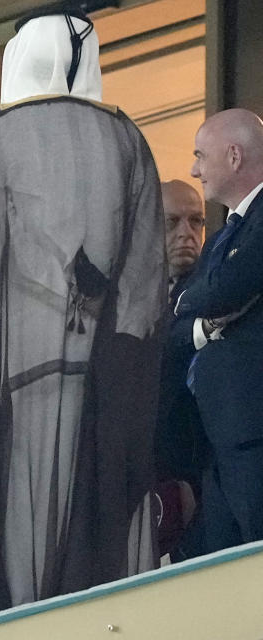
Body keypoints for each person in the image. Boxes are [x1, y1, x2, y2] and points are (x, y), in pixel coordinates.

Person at [0, 7, 165, 621]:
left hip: (22, 354)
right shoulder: (127, 136)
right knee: (94, 490)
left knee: (18, 500)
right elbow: (144, 271)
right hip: (105, 360)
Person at [173, 108, 263, 553]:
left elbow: (226, 287)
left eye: (199, 155)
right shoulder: (226, 233)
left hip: (253, 430)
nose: (193, 169)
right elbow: (187, 308)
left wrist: (188, 303)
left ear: (233, 156)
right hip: (219, 439)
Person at [154, 180, 207, 558]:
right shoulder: (119, 297)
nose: (186, 234)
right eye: (171, 222)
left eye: (196, 221)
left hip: (200, 468)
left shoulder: (215, 288)